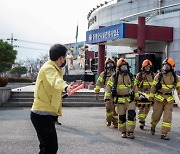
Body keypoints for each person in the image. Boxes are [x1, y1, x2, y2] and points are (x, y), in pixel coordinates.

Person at [30, 44, 73, 154]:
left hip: (44, 114)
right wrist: (65, 86)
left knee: (45, 147)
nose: (65, 60)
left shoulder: (53, 68)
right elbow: (55, 80)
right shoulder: (49, 68)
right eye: (65, 57)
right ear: (61, 58)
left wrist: (66, 87)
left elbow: (54, 85)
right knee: (51, 148)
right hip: (41, 114)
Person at [104, 58, 136, 139]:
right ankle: (123, 132)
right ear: (119, 67)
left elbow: (135, 88)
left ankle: (130, 132)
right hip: (119, 101)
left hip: (129, 100)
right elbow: (108, 87)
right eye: (122, 67)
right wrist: (107, 98)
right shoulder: (114, 77)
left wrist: (137, 97)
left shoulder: (131, 77)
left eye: (125, 67)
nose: (124, 68)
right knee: (121, 117)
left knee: (131, 115)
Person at [149, 58, 180, 140]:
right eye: (164, 66)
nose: (165, 68)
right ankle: (153, 125)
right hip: (158, 99)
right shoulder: (158, 76)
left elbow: (179, 89)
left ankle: (164, 133)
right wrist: (151, 98)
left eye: (167, 66)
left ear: (172, 67)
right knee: (156, 116)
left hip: (169, 100)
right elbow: (153, 87)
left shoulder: (175, 77)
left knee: (167, 117)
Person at [95, 58, 118, 128]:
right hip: (108, 94)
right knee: (108, 108)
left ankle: (115, 123)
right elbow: (98, 83)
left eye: (111, 64)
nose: (110, 66)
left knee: (116, 110)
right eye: (109, 64)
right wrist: (97, 92)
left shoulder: (117, 74)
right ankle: (108, 120)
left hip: (117, 93)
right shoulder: (103, 74)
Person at [134, 59, 154, 130]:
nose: (147, 69)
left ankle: (143, 118)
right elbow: (135, 85)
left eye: (149, 67)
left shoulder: (153, 75)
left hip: (150, 95)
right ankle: (141, 121)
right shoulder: (139, 75)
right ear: (143, 67)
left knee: (147, 109)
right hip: (141, 94)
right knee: (141, 108)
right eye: (146, 67)